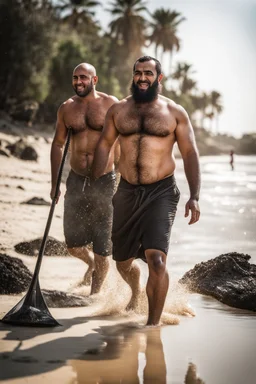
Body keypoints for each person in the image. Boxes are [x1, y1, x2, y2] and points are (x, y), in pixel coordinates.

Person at [92, 56, 201, 325]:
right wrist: (97, 180)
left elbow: (189, 153)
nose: (142, 78)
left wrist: (195, 196)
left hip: (161, 193)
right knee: (122, 262)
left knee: (157, 261)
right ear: (133, 76)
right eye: (138, 73)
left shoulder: (174, 113)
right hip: (127, 191)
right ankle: (136, 291)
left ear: (159, 78)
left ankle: (152, 325)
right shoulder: (118, 110)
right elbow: (105, 145)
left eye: (148, 73)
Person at [50, 62, 119, 295]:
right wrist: (54, 183)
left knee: (102, 246)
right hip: (76, 179)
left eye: (83, 77)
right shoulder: (67, 108)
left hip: (105, 181)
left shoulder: (111, 105)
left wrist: (123, 178)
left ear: (94, 80)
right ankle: (89, 264)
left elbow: (121, 142)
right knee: (72, 244)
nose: (79, 82)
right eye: (75, 78)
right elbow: (58, 144)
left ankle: (95, 294)